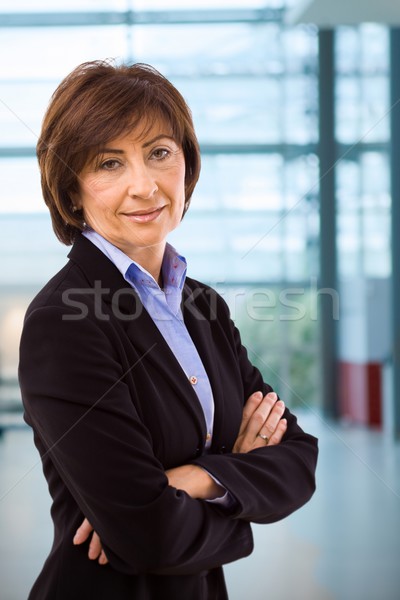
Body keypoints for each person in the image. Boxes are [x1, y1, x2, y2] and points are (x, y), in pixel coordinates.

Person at [19, 60, 318, 600]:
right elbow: (148, 536)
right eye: (109, 163)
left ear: (187, 165)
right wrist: (234, 479)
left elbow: (298, 457)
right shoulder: (63, 321)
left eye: (159, 153)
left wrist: (199, 478)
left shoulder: (203, 305)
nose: (144, 186)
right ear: (70, 193)